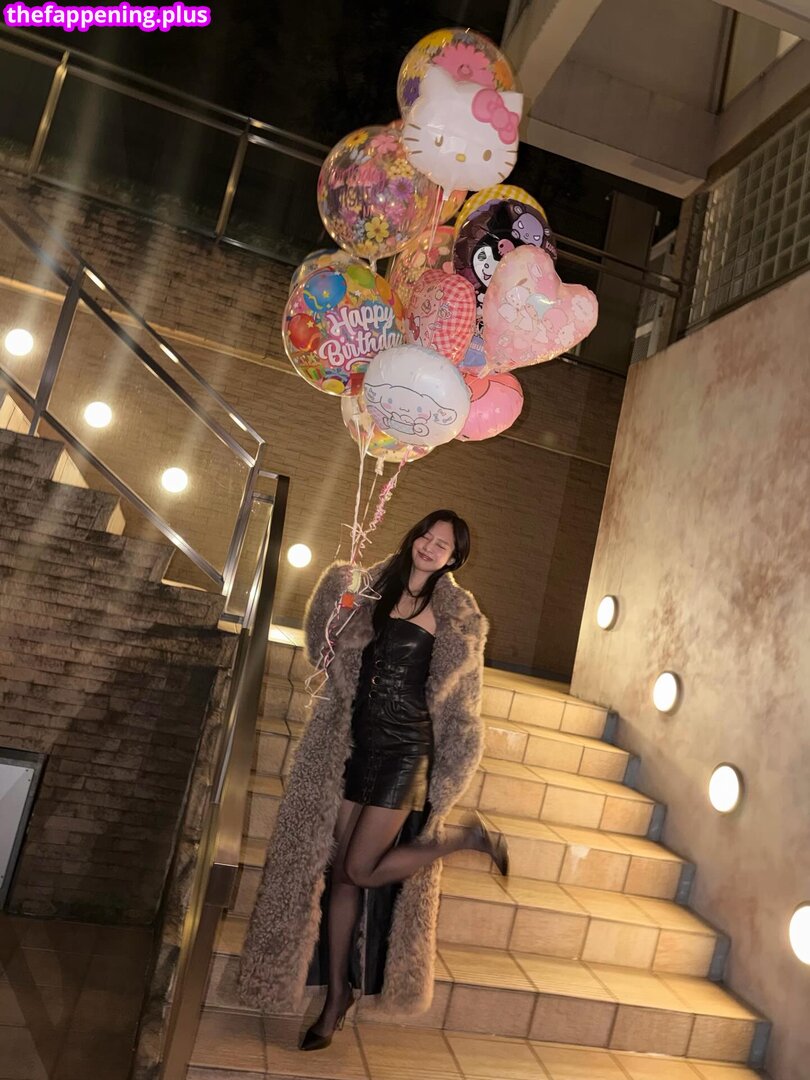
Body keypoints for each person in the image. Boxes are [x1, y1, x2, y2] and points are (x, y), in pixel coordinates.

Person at [238, 509, 508, 1050]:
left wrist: (454, 768)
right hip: (353, 745)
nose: (429, 547)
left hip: (406, 753)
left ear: (454, 558)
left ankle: (464, 841)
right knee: (341, 877)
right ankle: (337, 995)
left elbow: (463, 705)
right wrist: (337, 598)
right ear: (414, 538)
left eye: (442, 545)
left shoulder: (458, 618)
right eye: (426, 536)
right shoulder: (368, 589)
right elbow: (323, 652)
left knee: (360, 869)